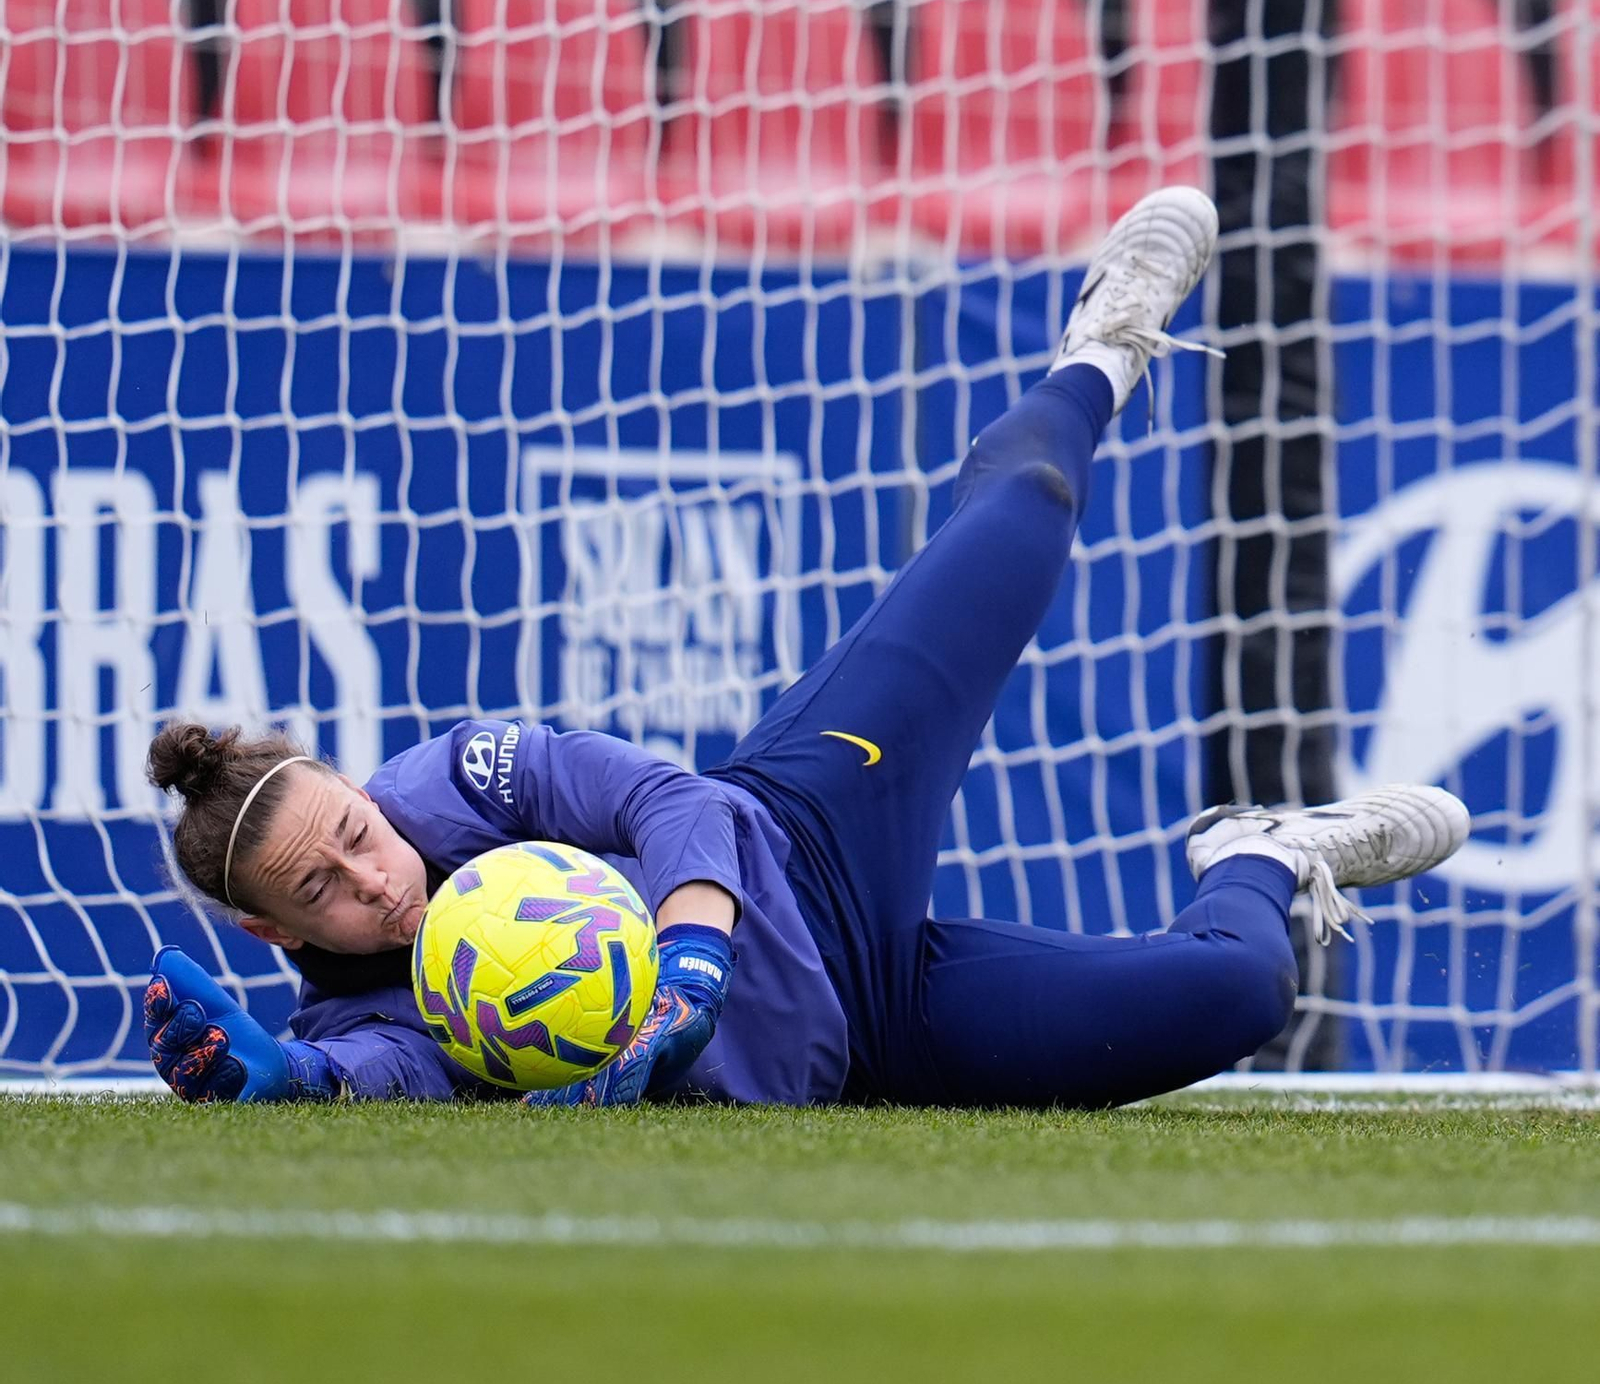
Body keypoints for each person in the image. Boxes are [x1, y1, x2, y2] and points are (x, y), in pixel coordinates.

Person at [142, 188, 1469, 1111]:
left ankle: (1101, 354)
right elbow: (376, 1077)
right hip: (877, 1029)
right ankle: (1262, 855)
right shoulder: (354, 1023)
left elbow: (660, 797)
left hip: (808, 826)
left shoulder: (453, 785)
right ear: (270, 929)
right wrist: (280, 1081)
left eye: (357, 834)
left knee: (1025, 519)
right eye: (324, 890)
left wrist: (693, 957)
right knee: (1237, 994)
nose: (375, 879)